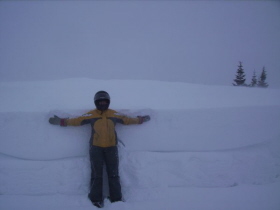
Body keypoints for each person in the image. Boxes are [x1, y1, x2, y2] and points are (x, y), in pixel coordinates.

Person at [49, 90, 150, 208]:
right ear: (96, 102)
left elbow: (127, 120)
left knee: (113, 174)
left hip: (112, 148)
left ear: (108, 102)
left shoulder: (114, 114)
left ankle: (116, 199)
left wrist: (140, 120)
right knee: (97, 174)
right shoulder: (91, 115)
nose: (102, 104)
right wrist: (61, 121)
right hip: (96, 148)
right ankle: (95, 200)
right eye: (100, 102)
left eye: (104, 101)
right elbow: (76, 121)